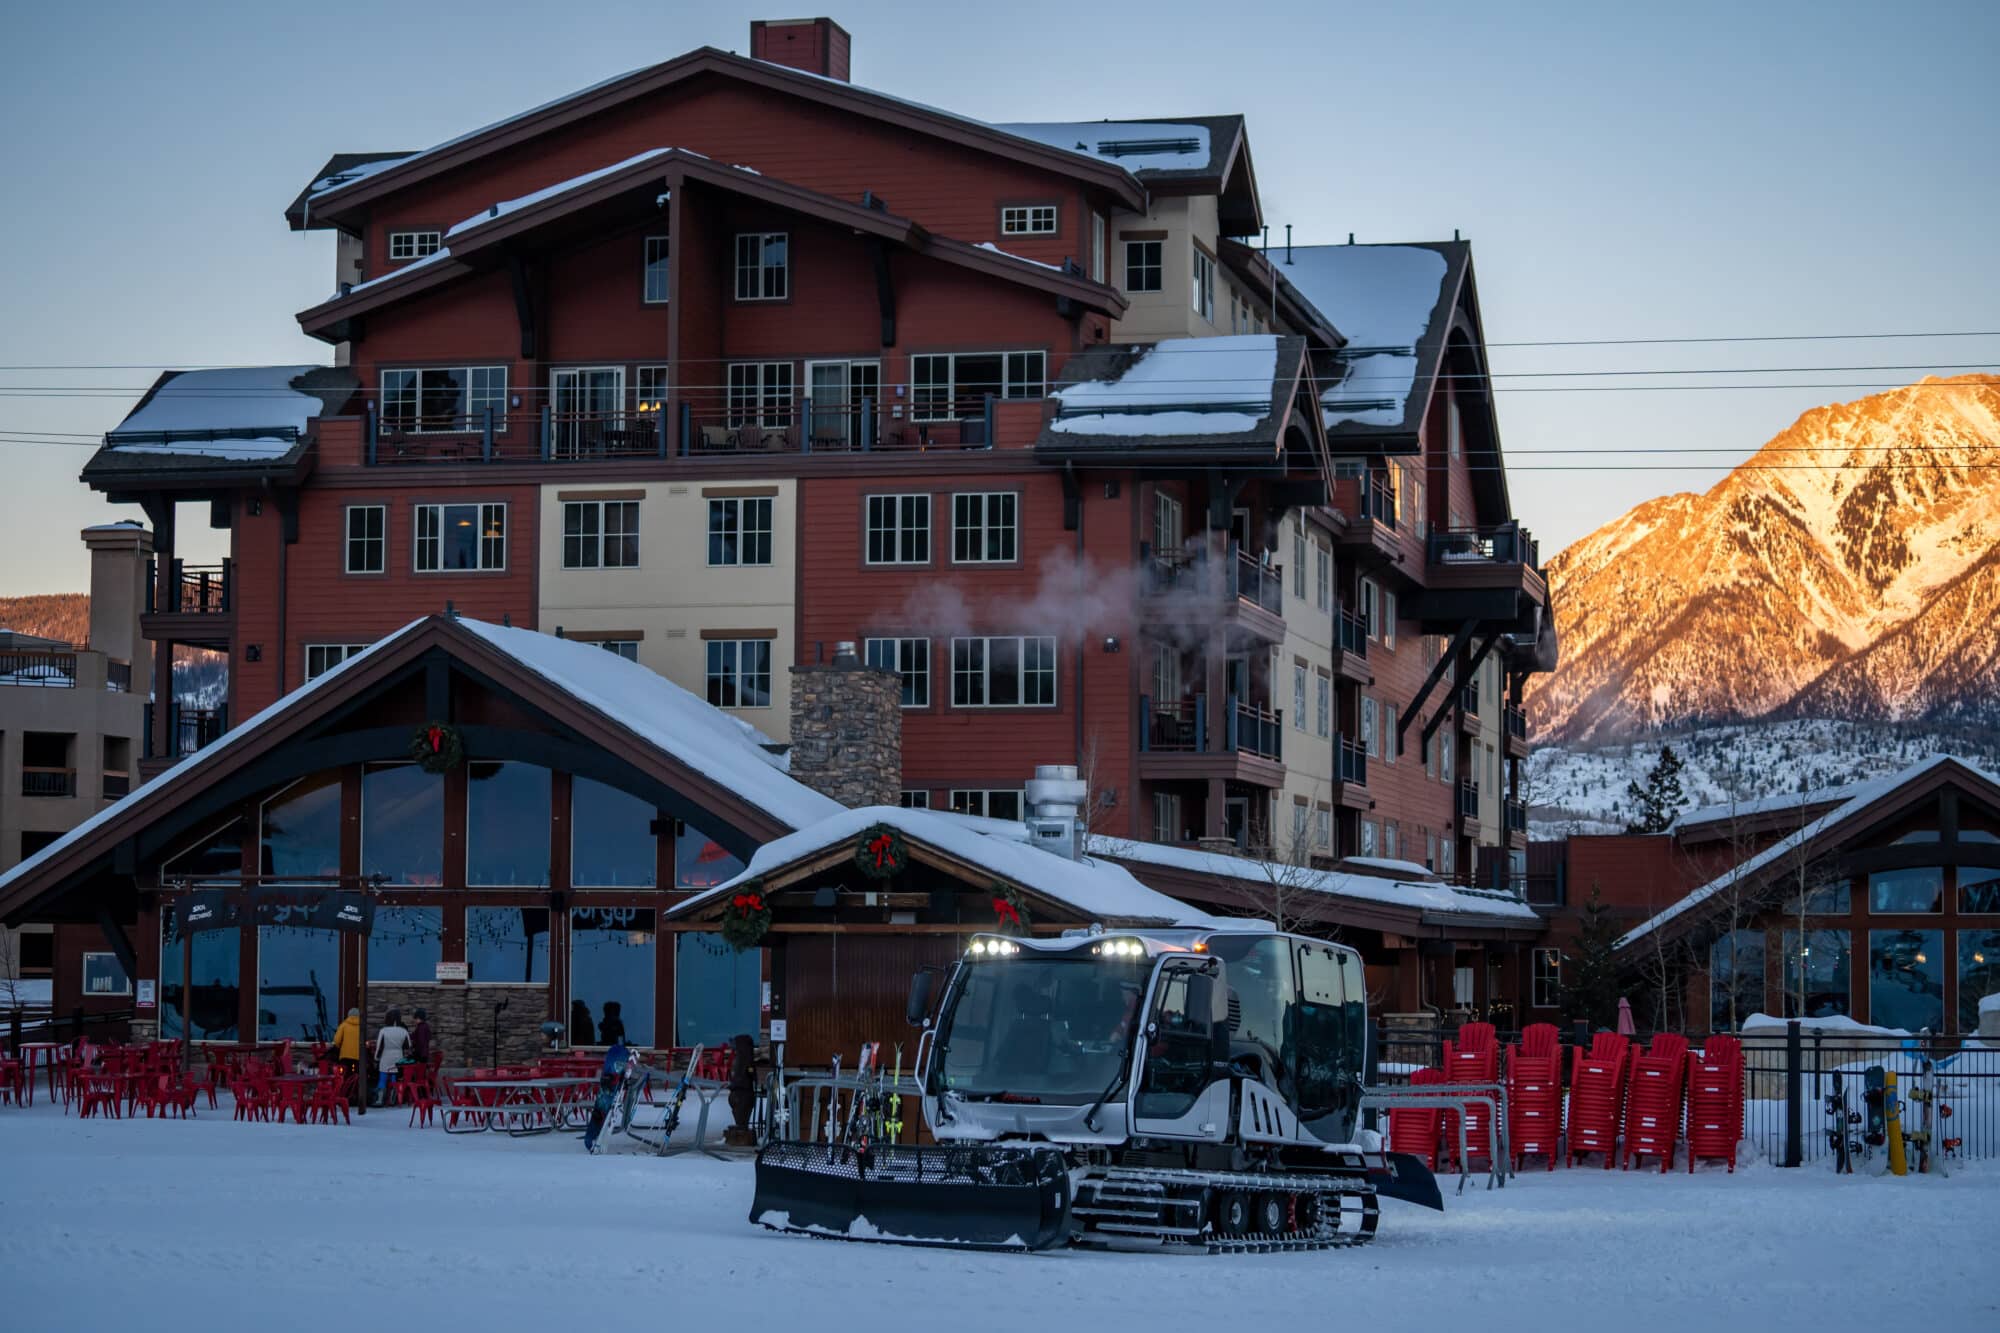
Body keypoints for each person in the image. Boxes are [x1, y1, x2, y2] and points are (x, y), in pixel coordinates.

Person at [373, 1009, 412, 1106]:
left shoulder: (383, 1031)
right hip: (398, 1057)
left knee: (382, 1078)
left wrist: (376, 1058)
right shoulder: (403, 1031)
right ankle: (393, 1099)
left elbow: (379, 1047)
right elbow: (408, 1045)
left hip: (385, 1057)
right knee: (394, 1078)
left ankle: (380, 1100)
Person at [331, 1008, 363, 1107]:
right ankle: (354, 1097)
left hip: (345, 1057)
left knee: (344, 1077)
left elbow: (336, 1041)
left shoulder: (344, 1025)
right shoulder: (362, 1026)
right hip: (357, 1058)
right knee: (355, 1077)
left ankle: (343, 1097)